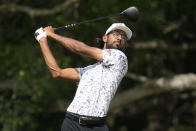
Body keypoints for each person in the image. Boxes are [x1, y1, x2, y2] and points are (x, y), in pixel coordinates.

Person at [34, 23, 132, 131]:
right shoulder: (88, 70)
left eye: (124, 37)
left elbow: (79, 48)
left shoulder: (120, 58)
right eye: (116, 34)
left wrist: (52, 35)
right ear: (105, 38)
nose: (119, 38)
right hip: (71, 123)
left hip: (96, 126)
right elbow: (57, 73)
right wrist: (42, 40)